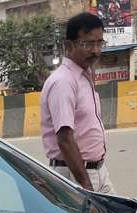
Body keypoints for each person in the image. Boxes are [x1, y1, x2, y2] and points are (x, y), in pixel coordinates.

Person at [40, 12, 114, 193]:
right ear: (69, 45)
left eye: (99, 43)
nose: (96, 50)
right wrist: (86, 187)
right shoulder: (63, 82)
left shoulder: (84, 76)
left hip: (97, 171)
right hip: (76, 175)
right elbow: (65, 139)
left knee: (119, 211)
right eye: (88, 44)